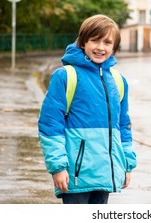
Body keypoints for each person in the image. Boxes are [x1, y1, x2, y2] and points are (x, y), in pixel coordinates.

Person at [38, 14, 137, 204]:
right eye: (95, 40)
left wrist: (126, 165)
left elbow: (123, 126)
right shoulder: (65, 76)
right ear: (83, 42)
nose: (101, 47)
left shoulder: (118, 81)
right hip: (76, 174)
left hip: (105, 173)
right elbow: (50, 124)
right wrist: (58, 167)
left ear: (114, 48)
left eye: (107, 42)